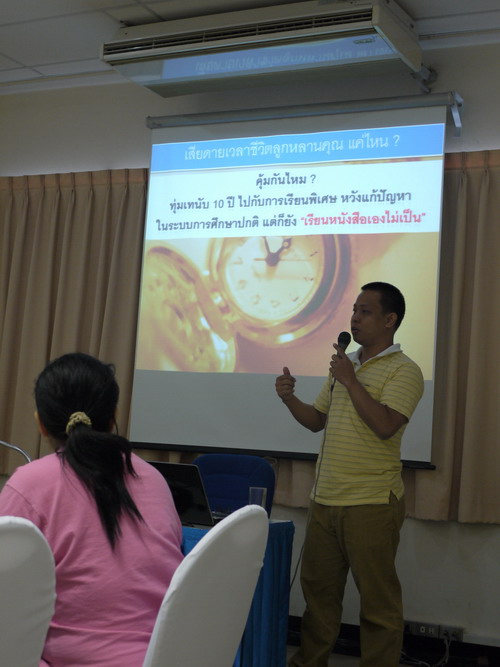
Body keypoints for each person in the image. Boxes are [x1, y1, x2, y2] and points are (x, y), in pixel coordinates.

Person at [0, 352, 184, 667]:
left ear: (40, 423)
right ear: (113, 417)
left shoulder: (29, 484)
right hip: (166, 657)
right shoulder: (153, 479)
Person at [276, 282, 424, 667]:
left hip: (371, 502)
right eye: (354, 310)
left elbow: (385, 425)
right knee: (318, 599)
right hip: (325, 499)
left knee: (378, 605)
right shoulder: (345, 364)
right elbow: (316, 420)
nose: (355, 318)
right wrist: (290, 398)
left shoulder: (405, 371)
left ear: (390, 320)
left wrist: (350, 380)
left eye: (365, 311)